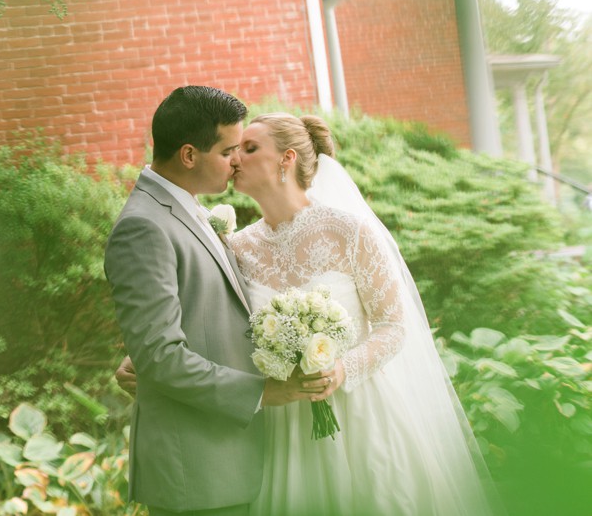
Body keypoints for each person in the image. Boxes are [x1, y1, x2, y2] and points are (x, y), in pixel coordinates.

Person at [226, 112, 497, 515]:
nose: (234, 159)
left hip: (363, 414)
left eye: (249, 148)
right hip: (287, 428)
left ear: (286, 159)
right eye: (234, 150)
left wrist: (341, 370)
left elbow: (392, 326)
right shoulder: (237, 248)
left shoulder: (348, 231)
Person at [105, 89, 333, 516]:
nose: (237, 161)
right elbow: (161, 355)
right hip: (197, 473)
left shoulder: (183, 207)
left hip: (227, 462)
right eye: (229, 150)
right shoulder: (143, 226)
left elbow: (186, 318)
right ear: (189, 155)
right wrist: (265, 391)